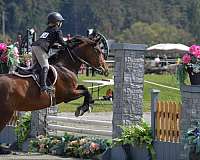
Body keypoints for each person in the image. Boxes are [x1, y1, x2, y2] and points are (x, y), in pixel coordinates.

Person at [31, 12, 68, 93]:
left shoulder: (47, 30)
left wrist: (57, 46)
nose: (60, 23)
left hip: (34, 47)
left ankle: (33, 83)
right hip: (40, 48)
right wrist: (68, 45)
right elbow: (62, 42)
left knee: (35, 67)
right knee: (45, 66)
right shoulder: (57, 31)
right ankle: (43, 86)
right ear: (57, 22)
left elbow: (49, 42)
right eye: (60, 21)